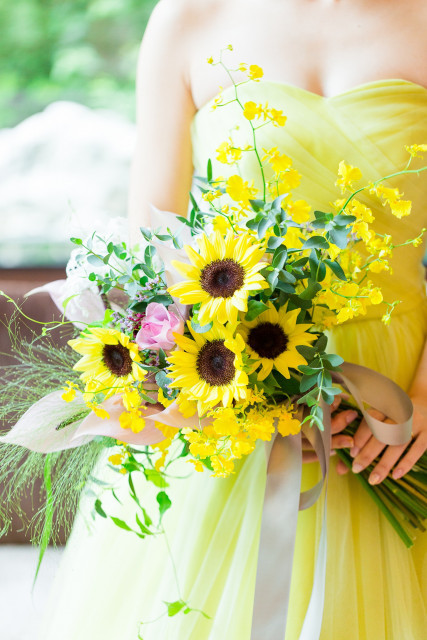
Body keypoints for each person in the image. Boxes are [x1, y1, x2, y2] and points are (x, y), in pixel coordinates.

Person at [40, 0, 427, 638]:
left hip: (395, 404)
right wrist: (228, 401)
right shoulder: (190, 18)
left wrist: (425, 395)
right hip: (227, 384)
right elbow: (154, 252)